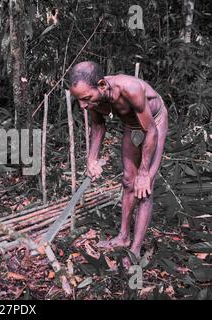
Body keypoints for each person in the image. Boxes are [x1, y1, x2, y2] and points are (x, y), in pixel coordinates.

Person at [68, 61, 168, 264]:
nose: (83, 105)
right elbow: (98, 126)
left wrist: (144, 171)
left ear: (102, 85)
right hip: (132, 125)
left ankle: (135, 249)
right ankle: (123, 236)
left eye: (86, 99)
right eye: (79, 100)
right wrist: (92, 158)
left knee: (144, 186)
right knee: (127, 181)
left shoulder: (130, 88)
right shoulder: (94, 100)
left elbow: (150, 131)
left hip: (154, 123)